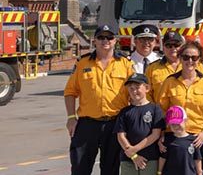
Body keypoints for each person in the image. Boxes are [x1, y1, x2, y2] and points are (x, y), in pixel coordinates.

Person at [64, 25, 134, 175]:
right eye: (101, 37)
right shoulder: (82, 63)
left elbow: (135, 95)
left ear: (115, 41)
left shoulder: (126, 64)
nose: (105, 41)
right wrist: (71, 118)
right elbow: (70, 92)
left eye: (109, 37)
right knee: (79, 168)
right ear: (94, 40)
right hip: (87, 124)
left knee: (110, 170)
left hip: (115, 124)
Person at [157, 42, 203, 175]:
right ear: (179, 58)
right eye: (185, 57)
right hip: (174, 137)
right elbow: (161, 111)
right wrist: (161, 135)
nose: (189, 61)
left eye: (194, 58)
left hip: (199, 138)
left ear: (200, 60)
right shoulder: (170, 82)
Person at [115, 73, 164, 175]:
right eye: (131, 88)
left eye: (137, 87)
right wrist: (133, 156)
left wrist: (134, 149)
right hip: (128, 159)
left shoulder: (155, 109)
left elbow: (155, 134)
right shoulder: (124, 112)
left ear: (147, 88)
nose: (134, 91)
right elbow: (121, 136)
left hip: (149, 159)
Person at [146, 31, 194, 101]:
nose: (173, 48)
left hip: (188, 110)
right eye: (169, 45)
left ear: (182, 47)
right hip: (162, 111)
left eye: (176, 45)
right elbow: (147, 94)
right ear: (163, 47)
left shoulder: (194, 66)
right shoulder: (152, 68)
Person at [159, 106, 202, 175]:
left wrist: (199, 172)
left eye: (178, 123)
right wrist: (159, 171)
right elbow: (163, 158)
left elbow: (197, 158)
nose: (176, 126)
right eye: (173, 124)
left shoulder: (193, 140)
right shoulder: (168, 140)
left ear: (185, 120)